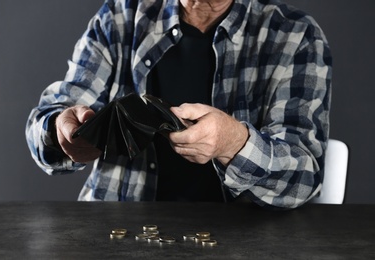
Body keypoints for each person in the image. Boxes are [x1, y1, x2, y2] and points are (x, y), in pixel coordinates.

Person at [26, 0, 332, 209]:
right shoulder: (121, 16)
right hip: (119, 229)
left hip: (242, 239)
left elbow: (304, 178)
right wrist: (61, 132)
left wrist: (234, 143)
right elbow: (51, 119)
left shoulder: (295, 34)